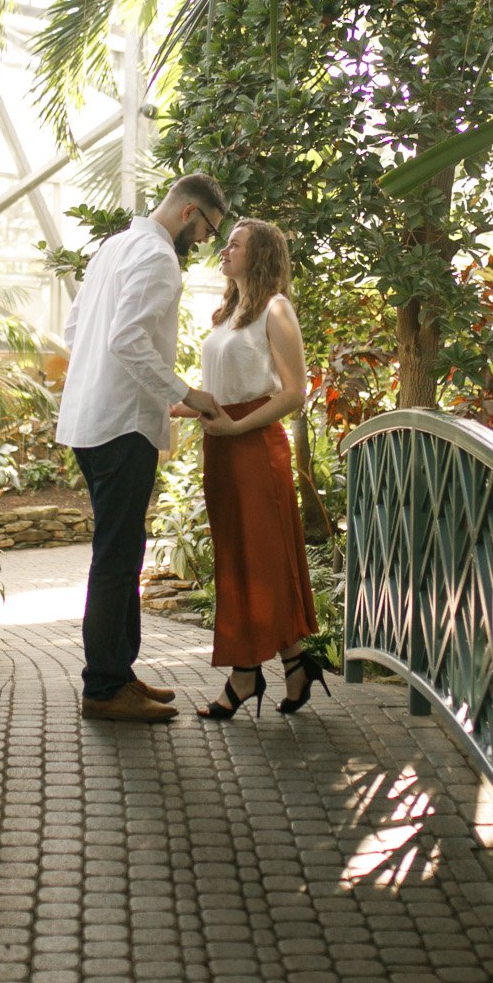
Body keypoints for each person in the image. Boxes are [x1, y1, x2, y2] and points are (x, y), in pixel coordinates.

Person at [57, 175, 228, 723]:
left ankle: (120, 673)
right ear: (188, 212)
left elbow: (74, 328)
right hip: (122, 426)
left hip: (88, 419)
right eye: (206, 229)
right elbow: (126, 339)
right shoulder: (158, 258)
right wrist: (187, 393)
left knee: (122, 550)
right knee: (116, 556)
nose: (203, 242)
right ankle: (104, 687)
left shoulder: (112, 247)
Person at [174, 218, 327, 720]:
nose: (224, 249)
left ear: (258, 254)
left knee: (259, 558)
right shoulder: (228, 312)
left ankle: (244, 674)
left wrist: (238, 428)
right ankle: (296, 663)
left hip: (256, 444)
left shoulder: (275, 309)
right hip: (221, 442)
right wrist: (186, 407)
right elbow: (222, 385)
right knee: (238, 557)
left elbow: (293, 391)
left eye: (234, 244)